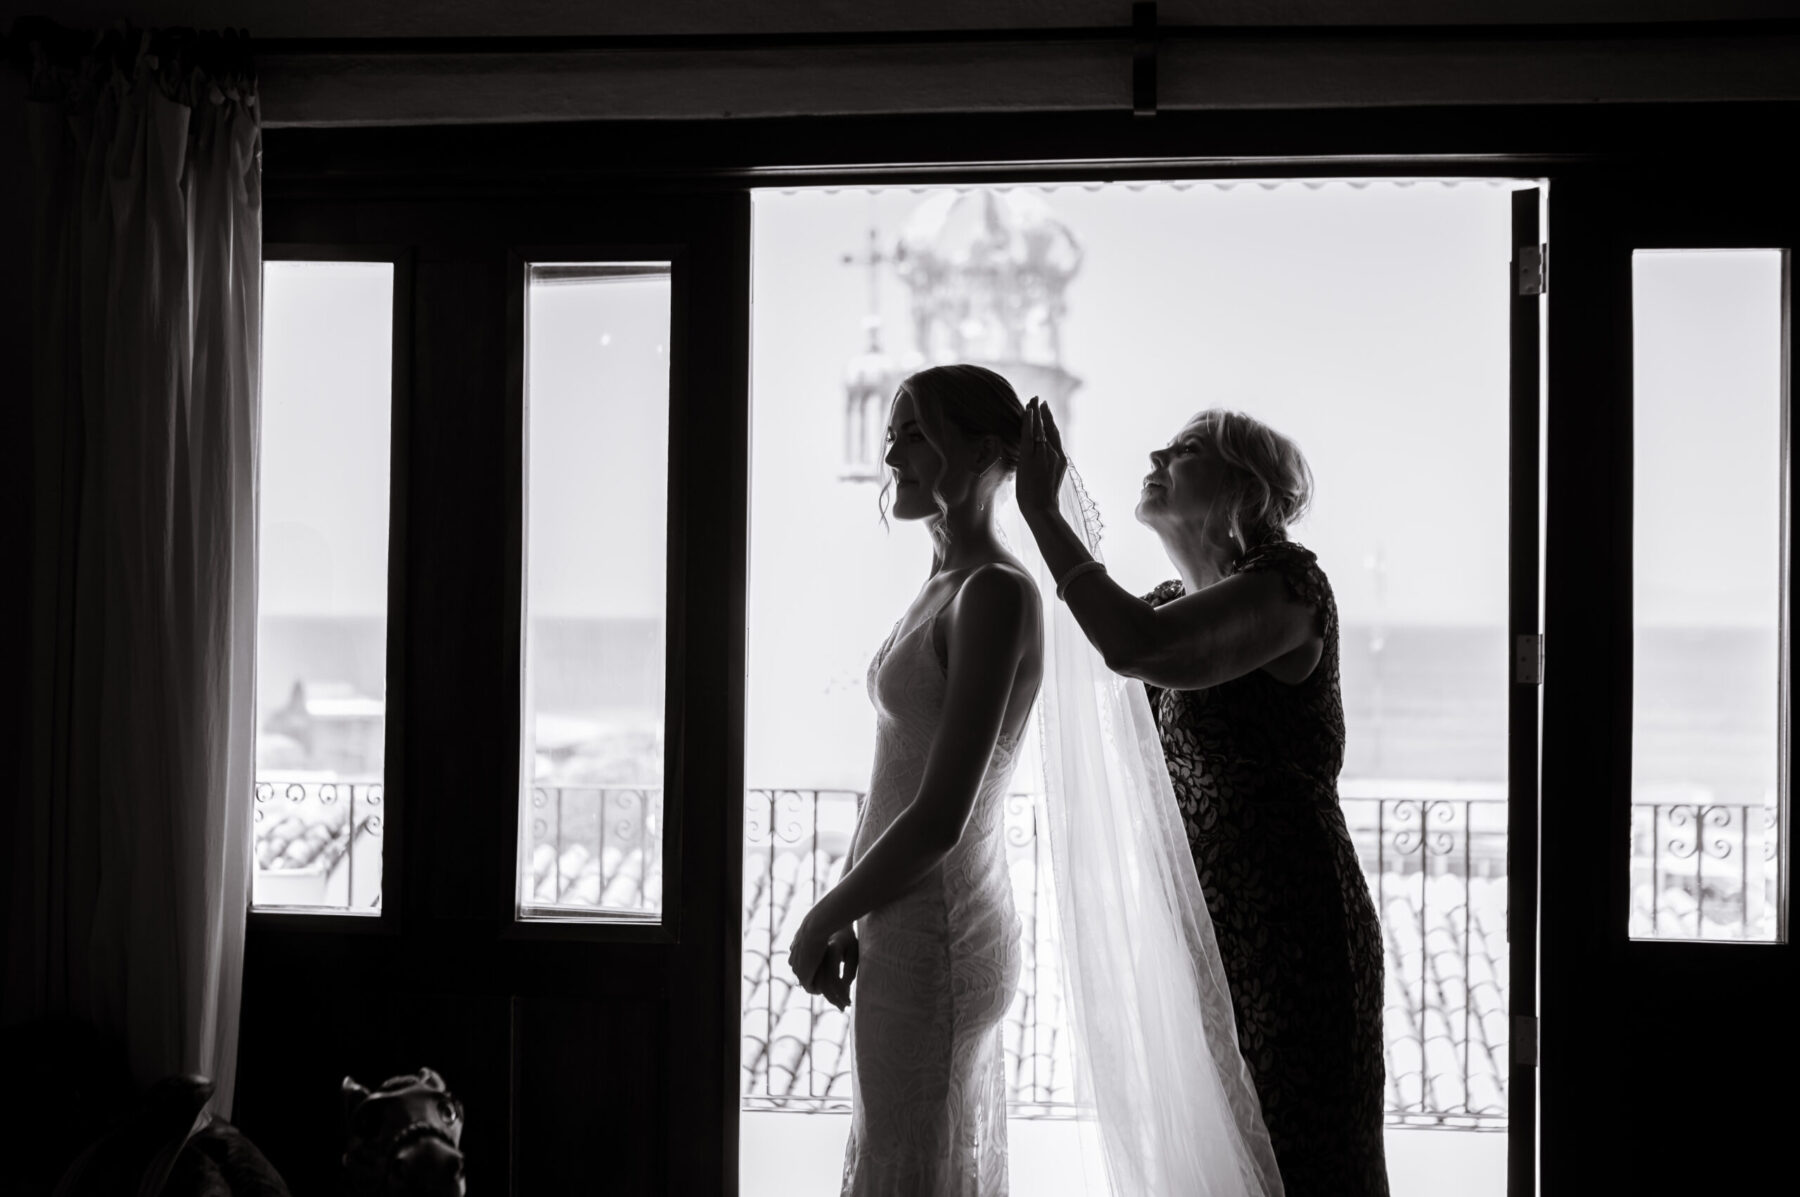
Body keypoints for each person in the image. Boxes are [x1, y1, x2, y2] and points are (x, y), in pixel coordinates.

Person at [1015, 399, 1390, 1197]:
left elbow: (1135, 651)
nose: (1157, 451)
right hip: (1203, 931)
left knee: (1307, 1158)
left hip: (1293, 923)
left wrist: (1046, 516)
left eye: (1185, 448)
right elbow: (1104, 641)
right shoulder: (1158, 602)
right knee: (1223, 1159)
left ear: (1240, 489)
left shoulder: (1288, 585)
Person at [786, 364, 1044, 1196]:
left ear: (982, 452)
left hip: (939, 927)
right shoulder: (945, 584)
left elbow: (938, 814)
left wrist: (825, 913)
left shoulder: (995, 593)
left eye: (915, 431)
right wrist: (858, 906)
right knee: (912, 1159)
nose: (890, 448)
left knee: (912, 1168)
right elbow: (901, 776)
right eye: (893, 430)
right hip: (911, 919)